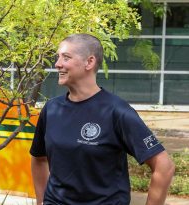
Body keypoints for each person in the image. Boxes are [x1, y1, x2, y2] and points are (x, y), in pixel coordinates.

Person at [30, 33, 175, 205]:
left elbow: (164, 167)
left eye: (66, 57)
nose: (57, 64)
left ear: (89, 62)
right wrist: (42, 201)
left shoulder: (116, 111)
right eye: (58, 57)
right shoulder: (51, 109)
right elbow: (39, 158)